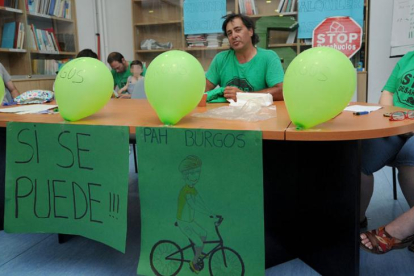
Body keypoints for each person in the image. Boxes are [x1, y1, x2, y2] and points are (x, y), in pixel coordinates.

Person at [360, 51, 414, 228]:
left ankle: (410, 227)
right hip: (396, 124)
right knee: (360, 161)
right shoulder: (408, 58)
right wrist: (391, 117)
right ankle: (358, 219)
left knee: (409, 159)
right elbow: (388, 93)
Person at [205, 13, 284, 103]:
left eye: (238, 30)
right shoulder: (220, 59)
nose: (234, 36)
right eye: (229, 33)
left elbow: (281, 91)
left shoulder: (269, 57)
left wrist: (244, 96)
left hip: (261, 114)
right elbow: (202, 90)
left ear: (250, 31)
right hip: (227, 114)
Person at [176, 155, 214, 274]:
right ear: (185, 175)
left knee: (204, 233)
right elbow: (193, 205)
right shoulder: (186, 190)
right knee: (199, 242)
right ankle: (193, 263)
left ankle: (199, 251)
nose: (196, 175)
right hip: (184, 222)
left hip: (190, 221)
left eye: (198, 172)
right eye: (192, 173)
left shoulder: (192, 189)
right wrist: (209, 214)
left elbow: (201, 202)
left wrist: (212, 213)